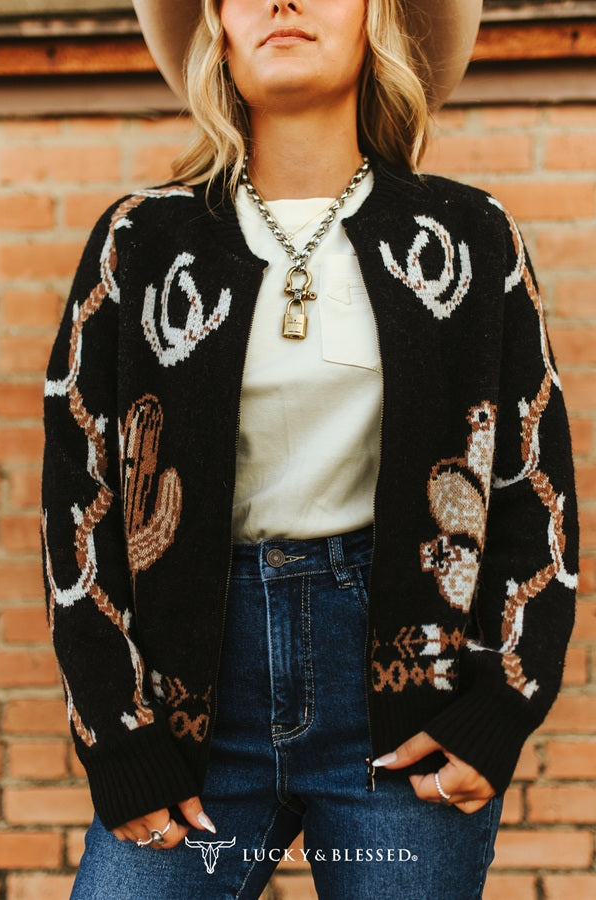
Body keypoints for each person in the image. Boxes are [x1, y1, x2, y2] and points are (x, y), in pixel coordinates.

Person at [40, 1, 579, 897]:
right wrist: (115, 733)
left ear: (377, 19)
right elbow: (76, 500)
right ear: (218, 27)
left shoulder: (471, 236)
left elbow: (534, 487)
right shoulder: (138, 243)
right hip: (188, 715)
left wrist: (499, 707)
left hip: (405, 713)